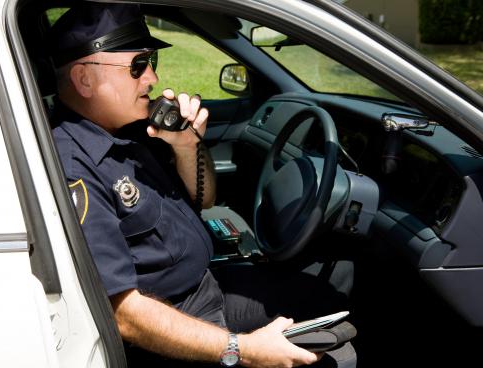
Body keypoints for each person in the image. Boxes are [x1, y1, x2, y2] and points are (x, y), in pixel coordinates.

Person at [48, 3, 356, 367]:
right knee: (339, 356)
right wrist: (243, 350)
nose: (151, 79)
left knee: (328, 295)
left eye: (152, 63)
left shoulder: (132, 128)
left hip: (207, 288)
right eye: (137, 66)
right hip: (171, 328)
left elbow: (205, 198)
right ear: (84, 79)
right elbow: (124, 314)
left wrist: (188, 144)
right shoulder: (74, 166)